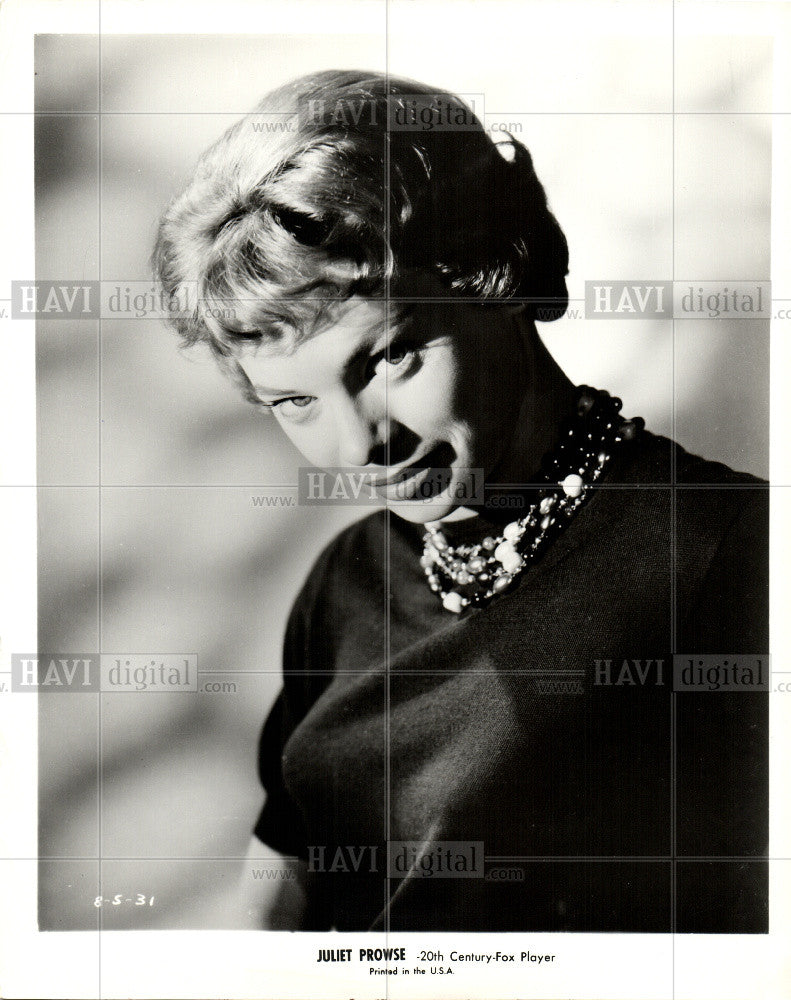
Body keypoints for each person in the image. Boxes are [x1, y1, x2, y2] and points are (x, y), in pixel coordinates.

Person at [153, 70, 768, 933]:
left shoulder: (733, 555)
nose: (362, 444)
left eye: (391, 357)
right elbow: (275, 898)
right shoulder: (349, 578)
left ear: (500, 278)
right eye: (293, 401)